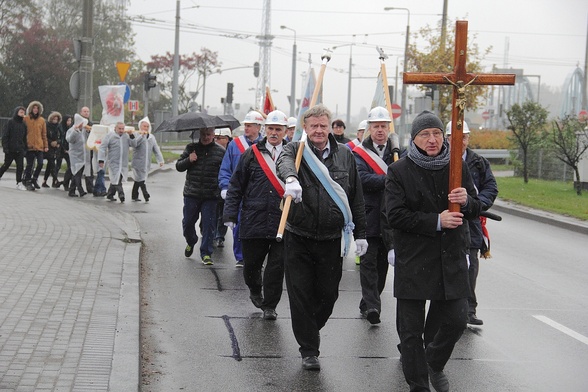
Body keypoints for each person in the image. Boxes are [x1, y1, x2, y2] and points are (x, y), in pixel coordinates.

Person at [385, 111, 482, 392]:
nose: (432, 139)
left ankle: (434, 363)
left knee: (456, 319)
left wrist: (467, 201)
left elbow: (475, 207)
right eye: (424, 134)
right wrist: (437, 221)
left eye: (437, 133)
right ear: (414, 139)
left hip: (449, 259)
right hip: (414, 259)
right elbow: (395, 215)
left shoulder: (456, 167)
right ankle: (419, 385)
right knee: (411, 333)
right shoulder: (399, 170)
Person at [276, 104, 367, 371]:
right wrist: (291, 177)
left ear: (330, 128)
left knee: (328, 295)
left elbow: (356, 197)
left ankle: (309, 328)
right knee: (300, 293)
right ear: (305, 127)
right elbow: (283, 162)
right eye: (313, 126)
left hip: (331, 239)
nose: (318, 130)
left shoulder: (345, 156)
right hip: (299, 236)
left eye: (322, 126)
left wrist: (361, 234)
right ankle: (309, 349)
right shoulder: (295, 149)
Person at [223, 110, 289, 321]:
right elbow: (236, 186)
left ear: (285, 131)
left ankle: (270, 305)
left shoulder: (293, 155)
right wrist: (230, 215)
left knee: (276, 267)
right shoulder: (251, 154)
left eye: (278, 129)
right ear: (264, 129)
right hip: (254, 219)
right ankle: (254, 289)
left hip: (282, 221)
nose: (274, 133)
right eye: (270, 128)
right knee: (251, 265)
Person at [446, 120, 498, 326]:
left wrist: (476, 204)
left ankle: (468, 310)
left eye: (464, 137)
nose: (460, 142)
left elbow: (491, 188)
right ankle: (447, 309)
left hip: (472, 222)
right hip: (447, 220)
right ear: (447, 139)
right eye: (454, 138)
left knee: (470, 266)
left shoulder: (479, 162)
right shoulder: (440, 160)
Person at [352, 107, 399, 325]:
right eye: (376, 126)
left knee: (381, 269)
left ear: (389, 128)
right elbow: (361, 179)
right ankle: (372, 307)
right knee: (368, 265)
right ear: (369, 128)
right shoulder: (358, 154)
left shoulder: (398, 152)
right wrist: (390, 179)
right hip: (369, 216)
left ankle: (368, 301)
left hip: (390, 218)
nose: (380, 130)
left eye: (383, 126)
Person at [218, 110, 264, 267]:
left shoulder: (264, 145)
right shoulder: (235, 145)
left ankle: (257, 256)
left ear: (258, 127)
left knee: (258, 227)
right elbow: (225, 168)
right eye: (246, 125)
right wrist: (224, 187)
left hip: (258, 194)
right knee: (237, 226)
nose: (246, 128)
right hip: (239, 194)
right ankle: (240, 257)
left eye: (250, 126)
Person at [176, 127, 225, 265]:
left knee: (209, 225)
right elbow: (179, 166)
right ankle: (191, 241)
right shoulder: (191, 148)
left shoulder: (220, 152)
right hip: (192, 194)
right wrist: (189, 160)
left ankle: (206, 253)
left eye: (208, 134)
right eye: (203, 134)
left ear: (214, 135)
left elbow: (226, 172)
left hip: (211, 196)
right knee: (188, 223)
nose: (206, 137)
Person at [98, 122, 143, 203]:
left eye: (123, 129)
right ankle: (121, 194)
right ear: (115, 128)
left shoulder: (126, 136)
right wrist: (101, 160)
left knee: (116, 179)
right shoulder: (110, 136)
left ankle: (110, 194)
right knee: (117, 179)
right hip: (113, 162)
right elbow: (102, 147)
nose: (121, 130)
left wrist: (131, 135)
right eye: (119, 128)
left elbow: (134, 144)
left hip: (123, 163)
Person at [131, 117, 164, 202]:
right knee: (141, 179)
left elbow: (156, 150)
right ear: (140, 126)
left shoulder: (151, 138)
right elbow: (134, 144)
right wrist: (141, 135)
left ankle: (134, 195)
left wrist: (160, 160)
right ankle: (146, 194)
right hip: (137, 162)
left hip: (146, 163)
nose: (145, 128)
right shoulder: (136, 134)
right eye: (144, 126)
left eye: (147, 126)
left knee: (139, 179)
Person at [213, 127, 233, 247]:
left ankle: (220, 236)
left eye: (220, 138)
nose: (218, 140)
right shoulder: (212, 150)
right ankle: (209, 232)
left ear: (227, 139)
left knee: (222, 213)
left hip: (226, 187)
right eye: (216, 138)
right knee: (212, 212)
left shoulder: (231, 151)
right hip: (213, 186)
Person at [0, 106, 28, 190]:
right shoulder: (10, 122)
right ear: (17, 112)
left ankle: (19, 182)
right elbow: (5, 136)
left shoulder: (23, 124)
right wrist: (5, 148)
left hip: (20, 149)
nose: (22, 114)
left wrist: (24, 148)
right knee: (6, 165)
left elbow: (24, 137)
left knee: (20, 166)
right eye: (21, 112)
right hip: (10, 149)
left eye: (23, 112)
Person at [23, 100, 48, 190]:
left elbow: (44, 134)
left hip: (39, 146)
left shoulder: (42, 120)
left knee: (40, 163)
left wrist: (46, 146)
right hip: (29, 146)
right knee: (30, 165)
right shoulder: (26, 119)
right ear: (31, 109)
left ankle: (35, 178)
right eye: (34, 108)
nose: (35, 110)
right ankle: (27, 180)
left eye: (37, 108)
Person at [65, 114, 90, 197]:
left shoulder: (83, 130)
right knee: (77, 173)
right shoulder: (72, 130)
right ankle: (80, 189)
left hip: (82, 155)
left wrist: (88, 131)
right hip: (75, 156)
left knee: (77, 173)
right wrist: (76, 130)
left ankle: (71, 190)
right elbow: (69, 139)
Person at [42, 111, 61, 188]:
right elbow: (45, 135)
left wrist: (57, 142)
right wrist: (50, 142)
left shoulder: (58, 127)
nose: (55, 121)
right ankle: (55, 179)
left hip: (55, 147)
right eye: (54, 119)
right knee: (52, 163)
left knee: (50, 165)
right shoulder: (47, 125)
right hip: (47, 146)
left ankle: (45, 181)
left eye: (56, 119)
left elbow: (61, 136)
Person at [56, 114, 72, 190]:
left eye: (70, 121)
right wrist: (63, 148)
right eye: (68, 120)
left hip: (68, 150)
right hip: (61, 149)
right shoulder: (60, 127)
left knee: (70, 166)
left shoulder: (70, 128)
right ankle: (55, 180)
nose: (69, 122)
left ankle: (66, 183)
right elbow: (60, 138)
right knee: (57, 165)